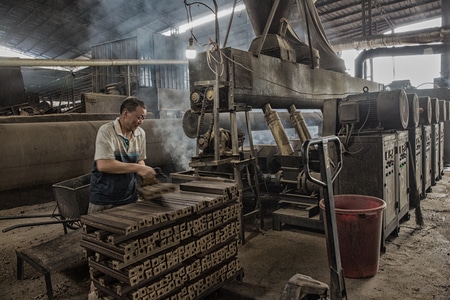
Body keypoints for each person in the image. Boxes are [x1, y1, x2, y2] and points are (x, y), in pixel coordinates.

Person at [88, 96, 156, 214]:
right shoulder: (106, 131)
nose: (140, 121)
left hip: (129, 197)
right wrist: (139, 168)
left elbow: (139, 159)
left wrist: (147, 175)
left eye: (143, 118)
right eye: (138, 117)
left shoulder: (140, 133)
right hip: (105, 200)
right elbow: (104, 165)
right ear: (125, 113)